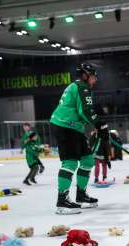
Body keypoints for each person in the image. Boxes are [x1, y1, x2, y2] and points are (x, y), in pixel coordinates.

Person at [50, 63, 101, 215]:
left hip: (75, 127)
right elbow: (84, 111)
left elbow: (84, 113)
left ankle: (81, 195)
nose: (95, 80)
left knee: (87, 160)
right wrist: (99, 124)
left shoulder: (81, 88)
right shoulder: (81, 87)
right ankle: (62, 201)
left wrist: (99, 126)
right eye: (93, 77)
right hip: (65, 125)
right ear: (85, 76)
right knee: (70, 162)